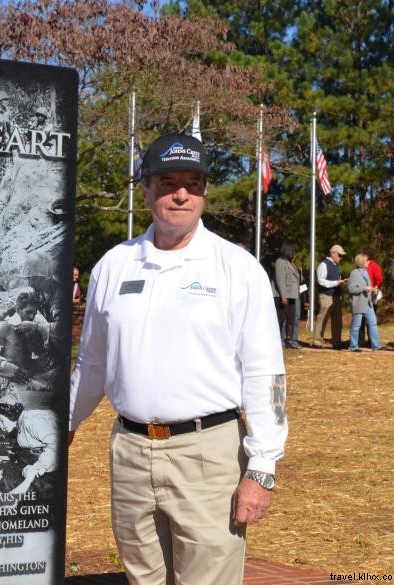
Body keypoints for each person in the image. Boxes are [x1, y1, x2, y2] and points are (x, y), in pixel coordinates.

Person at [69, 133, 287, 585]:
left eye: (193, 183)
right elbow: (92, 363)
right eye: (168, 183)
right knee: (142, 578)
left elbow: (265, 374)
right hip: (130, 452)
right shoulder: (113, 265)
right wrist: (64, 425)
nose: (182, 194)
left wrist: (262, 467)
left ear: (205, 190)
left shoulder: (237, 268)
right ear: (146, 189)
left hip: (208, 455)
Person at [313, 244, 348, 348]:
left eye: (342, 256)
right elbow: (321, 281)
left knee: (337, 320)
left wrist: (341, 283)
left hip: (336, 296)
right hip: (326, 296)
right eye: (339, 255)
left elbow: (335, 281)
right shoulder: (323, 265)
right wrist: (336, 283)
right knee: (323, 318)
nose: (341, 258)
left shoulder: (336, 266)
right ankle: (317, 341)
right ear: (332, 253)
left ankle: (336, 342)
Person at [347, 253, 381, 352]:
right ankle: (353, 346)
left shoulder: (365, 272)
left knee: (373, 323)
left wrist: (373, 290)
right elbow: (351, 289)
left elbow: (368, 286)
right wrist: (364, 288)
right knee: (356, 325)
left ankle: (376, 345)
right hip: (358, 303)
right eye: (366, 261)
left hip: (368, 302)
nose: (368, 262)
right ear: (362, 262)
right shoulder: (354, 273)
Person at [274, 240, 301, 348]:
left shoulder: (291, 263)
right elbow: (280, 280)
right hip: (283, 296)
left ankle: (289, 340)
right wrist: (283, 296)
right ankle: (277, 341)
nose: (295, 253)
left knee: (291, 319)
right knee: (280, 319)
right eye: (294, 250)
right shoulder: (280, 262)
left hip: (292, 296)